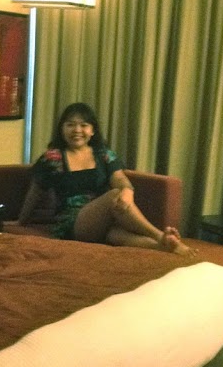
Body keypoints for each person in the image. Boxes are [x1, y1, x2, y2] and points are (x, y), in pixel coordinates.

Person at [18, 102, 194, 255]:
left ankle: (163, 246)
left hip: (103, 220)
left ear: (92, 130)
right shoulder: (52, 158)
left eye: (84, 125)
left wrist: (128, 191)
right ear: (62, 129)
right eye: (70, 125)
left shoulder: (103, 155)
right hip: (72, 223)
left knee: (116, 235)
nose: (77, 130)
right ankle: (160, 235)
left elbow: (120, 179)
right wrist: (21, 221)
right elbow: (35, 191)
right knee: (114, 196)